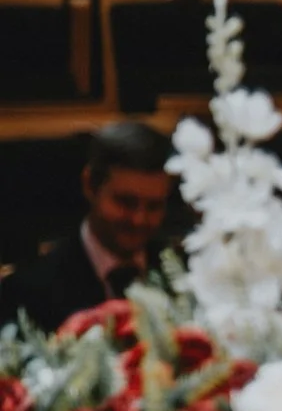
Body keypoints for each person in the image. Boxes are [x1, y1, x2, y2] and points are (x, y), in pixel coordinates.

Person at [0, 121, 172, 333]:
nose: (139, 220)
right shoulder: (28, 291)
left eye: (154, 206)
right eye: (126, 202)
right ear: (90, 185)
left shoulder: (186, 276)